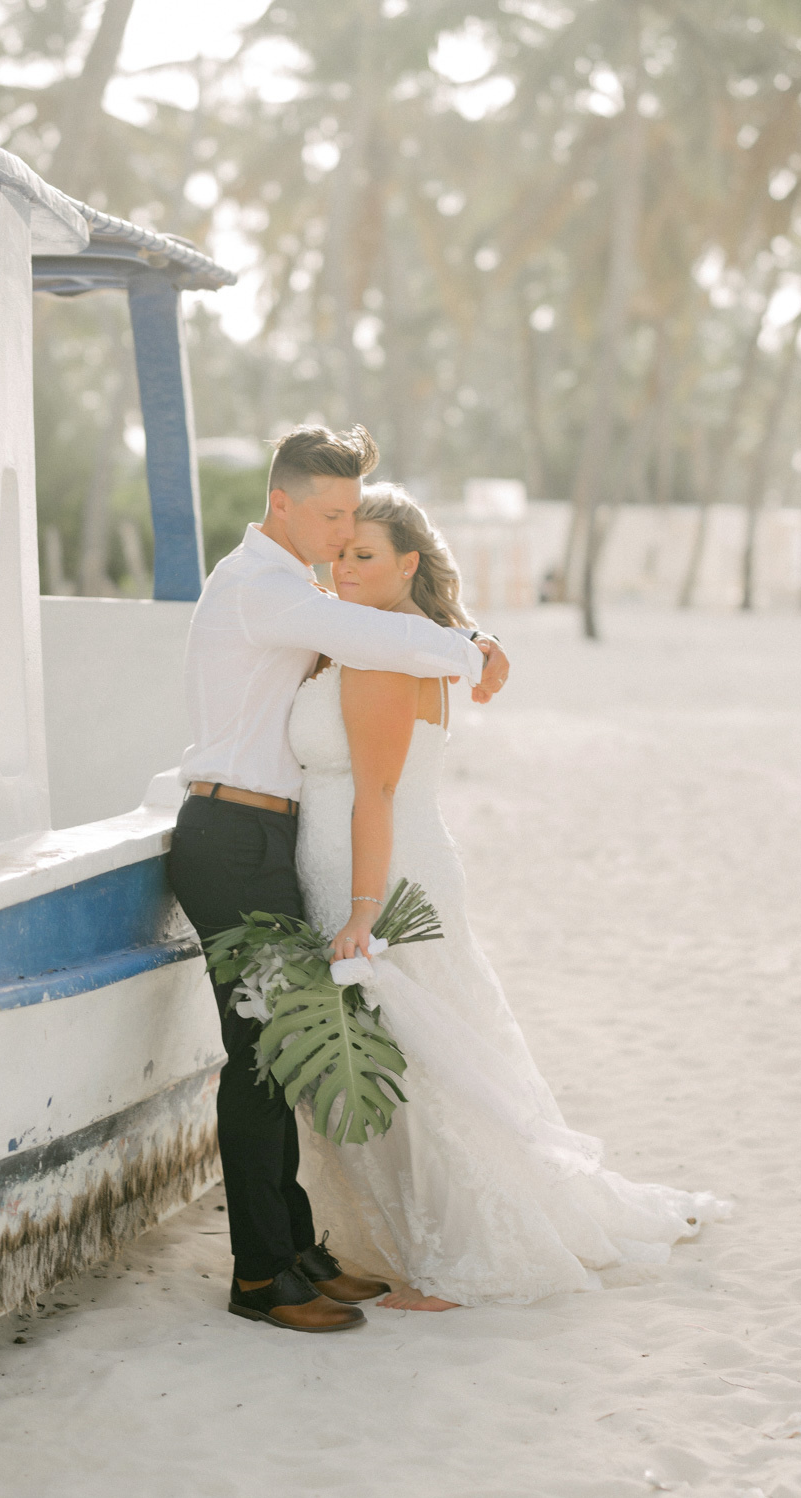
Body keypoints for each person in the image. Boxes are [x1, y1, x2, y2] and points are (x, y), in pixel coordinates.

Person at [289, 482, 726, 1310]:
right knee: (425, 1048)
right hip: (375, 862)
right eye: (339, 551)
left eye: (363, 555)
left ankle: (458, 1257)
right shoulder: (402, 637)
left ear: (407, 563)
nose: (341, 568)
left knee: (422, 1062)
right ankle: (422, 1238)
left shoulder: (388, 650)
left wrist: (360, 910)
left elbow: (374, 793)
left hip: (379, 872)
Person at [167, 425, 510, 1333]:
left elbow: (375, 635)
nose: (339, 530)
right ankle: (260, 1276)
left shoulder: (292, 585)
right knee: (257, 1063)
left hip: (259, 833)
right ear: (279, 504)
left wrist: (462, 634)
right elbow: (375, 636)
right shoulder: (262, 590)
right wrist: (474, 647)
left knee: (277, 1054)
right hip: (231, 833)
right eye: (327, 514)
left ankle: (297, 1250)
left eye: (352, 514)